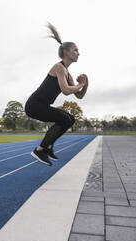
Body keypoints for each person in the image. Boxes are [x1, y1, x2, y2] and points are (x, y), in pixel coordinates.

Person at [25, 22, 89, 166]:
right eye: (76, 50)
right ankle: (40, 149)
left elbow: (79, 95)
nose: (78, 53)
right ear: (66, 52)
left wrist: (85, 85)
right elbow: (66, 90)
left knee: (70, 119)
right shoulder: (59, 67)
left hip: (42, 105)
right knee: (65, 120)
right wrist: (81, 84)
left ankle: (48, 147)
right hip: (34, 105)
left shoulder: (68, 74)